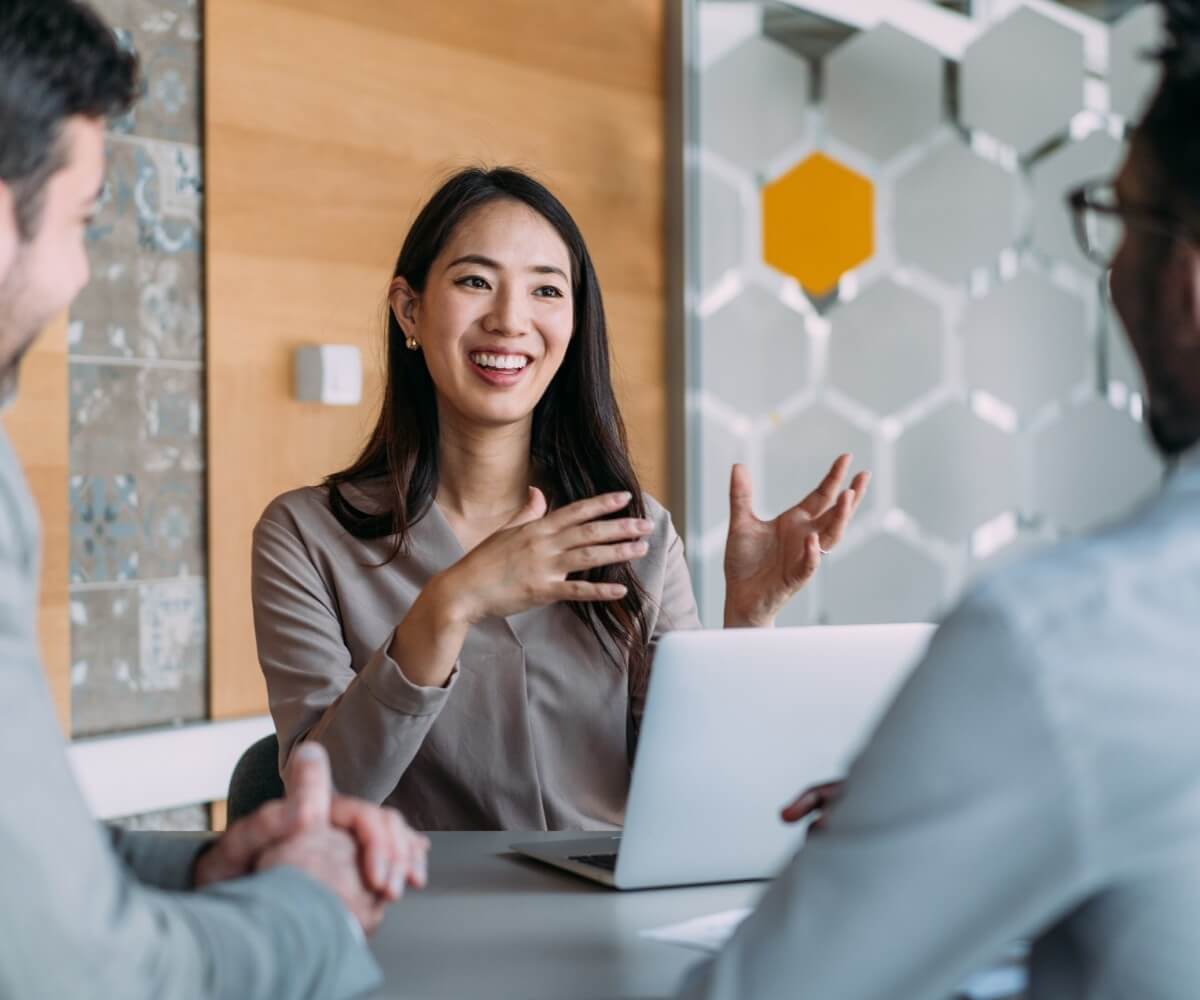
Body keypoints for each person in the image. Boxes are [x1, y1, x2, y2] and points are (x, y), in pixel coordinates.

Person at [678, 3, 1200, 997]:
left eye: (1123, 218)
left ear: (1188, 284)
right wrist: (952, 816)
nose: (1112, 269)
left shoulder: (1062, 644)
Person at [0, 3, 428, 997]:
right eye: (83, 221)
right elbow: (84, 973)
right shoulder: (302, 530)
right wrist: (308, 912)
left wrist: (199, 869)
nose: (80, 272)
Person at [252, 167, 870, 830]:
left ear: (574, 323)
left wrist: (748, 623)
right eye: (474, 281)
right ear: (410, 309)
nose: (510, 320)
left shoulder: (639, 536)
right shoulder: (304, 536)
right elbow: (321, 808)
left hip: (612, 918)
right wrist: (450, 605)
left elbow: (700, 795)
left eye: (546, 289)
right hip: (410, 915)